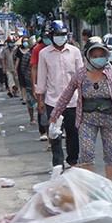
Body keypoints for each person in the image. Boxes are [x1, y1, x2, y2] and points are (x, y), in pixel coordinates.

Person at [50, 39, 112, 181]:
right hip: (87, 119)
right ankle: (91, 185)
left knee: (111, 154)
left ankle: (109, 185)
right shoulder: (80, 74)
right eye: (94, 55)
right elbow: (66, 95)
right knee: (86, 152)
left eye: (101, 55)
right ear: (88, 57)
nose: (98, 58)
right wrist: (55, 114)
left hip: (110, 119)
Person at [36, 21, 83, 176]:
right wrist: (40, 100)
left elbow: (80, 76)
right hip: (53, 100)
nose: (60, 38)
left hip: (73, 100)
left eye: (63, 35)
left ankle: (73, 160)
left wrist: (83, 96)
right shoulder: (44, 54)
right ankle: (58, 163)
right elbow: (41, 78)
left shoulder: (74, 52)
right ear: (51, 36)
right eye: (57, 35)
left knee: (73, 132)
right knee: (55, 133)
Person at [31, 31, 52, 141]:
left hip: (57, 84)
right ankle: (47, 135)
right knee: (43, 110)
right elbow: (34, 68)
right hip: (43, 83)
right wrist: (35, 85)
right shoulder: (38, 50)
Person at [14, 37, 36, 124]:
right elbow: (22, 68)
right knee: (30, 101)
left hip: (41, 81)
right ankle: (32, 118)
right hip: (30, 81)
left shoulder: (42, 54)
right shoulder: (27, 55)